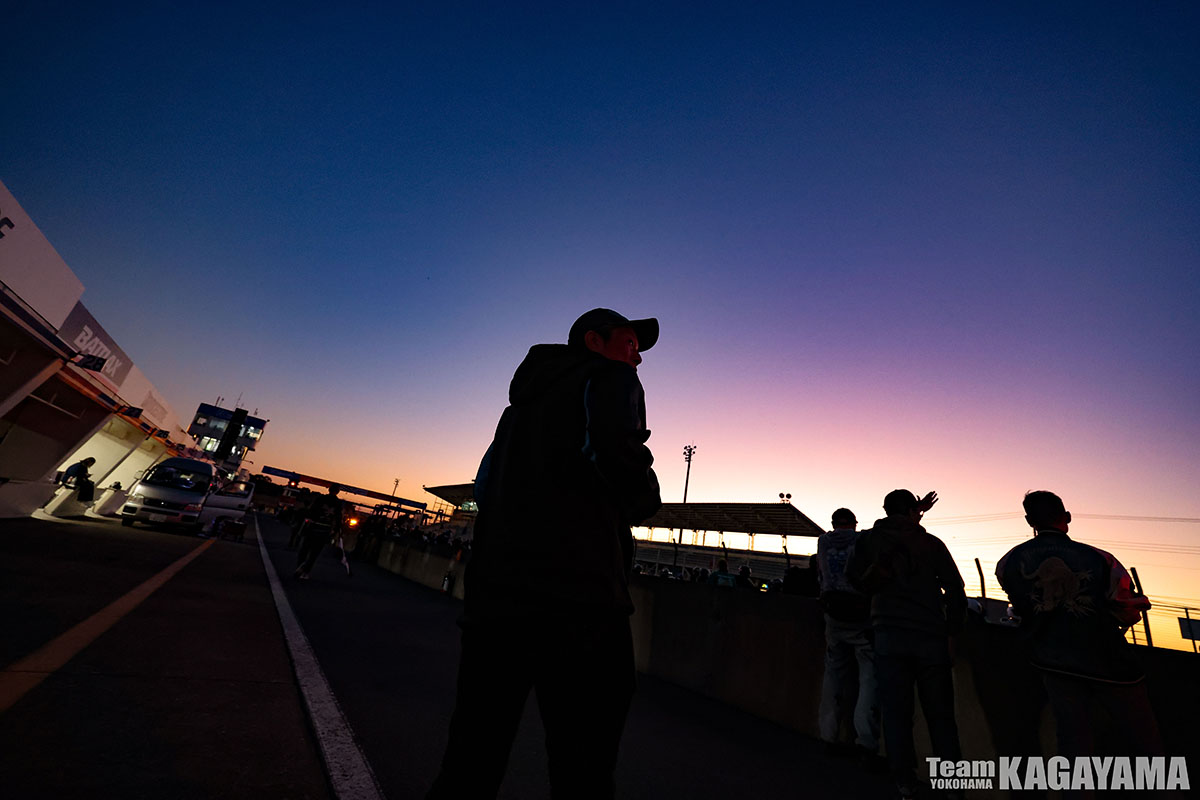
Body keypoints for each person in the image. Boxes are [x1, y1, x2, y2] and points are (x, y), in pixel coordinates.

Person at [428, 308, 662, 799]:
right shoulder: (611, 378)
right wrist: (644, 493)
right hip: (582, 604)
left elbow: (484, 488)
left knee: (471, 758)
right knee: (584, 769)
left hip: (496, 602)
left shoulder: (517, 410)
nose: (637, 357)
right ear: (594, 341)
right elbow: (620, 459)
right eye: (629, 343)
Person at [996, 491, 1163, 767]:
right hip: (1111, 666)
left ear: (1029, 521)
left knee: (1073, 745)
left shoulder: (1009, 562)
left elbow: (1024, 607)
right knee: (1146, 742)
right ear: (1068, 517)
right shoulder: (1101, 559)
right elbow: (1126, 610)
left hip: (1054, 665)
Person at [847, 490, 966, 800]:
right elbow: (955, 590)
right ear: (913, 511)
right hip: (931, 638)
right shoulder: (931, 544)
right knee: (941, 718)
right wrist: (953, 634)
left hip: (888, 637)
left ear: (885, 510)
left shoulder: (868, 540)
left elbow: (854, 579)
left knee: (896, 715)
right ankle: (953, 787)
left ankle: (905, 784)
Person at [816, 508, 881, 766]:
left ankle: (828, 735)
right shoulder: (861, 539)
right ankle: (866, 742)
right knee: (868, 679)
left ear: (832, 523)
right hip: (861, 617)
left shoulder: (823, 541)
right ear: (854, 524)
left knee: (832, 676)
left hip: (833, 614)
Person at [294, 485, 344, 580]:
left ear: (329, 489)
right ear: (338, 492)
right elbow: (338, 518)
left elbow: (311, 511)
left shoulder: (321, 498)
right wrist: (336, 531)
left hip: (313, 526)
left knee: (305, 549)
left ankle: (300, 566)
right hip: (325, 530)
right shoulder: (338, 503)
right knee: (314, 553)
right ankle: (306, 571)